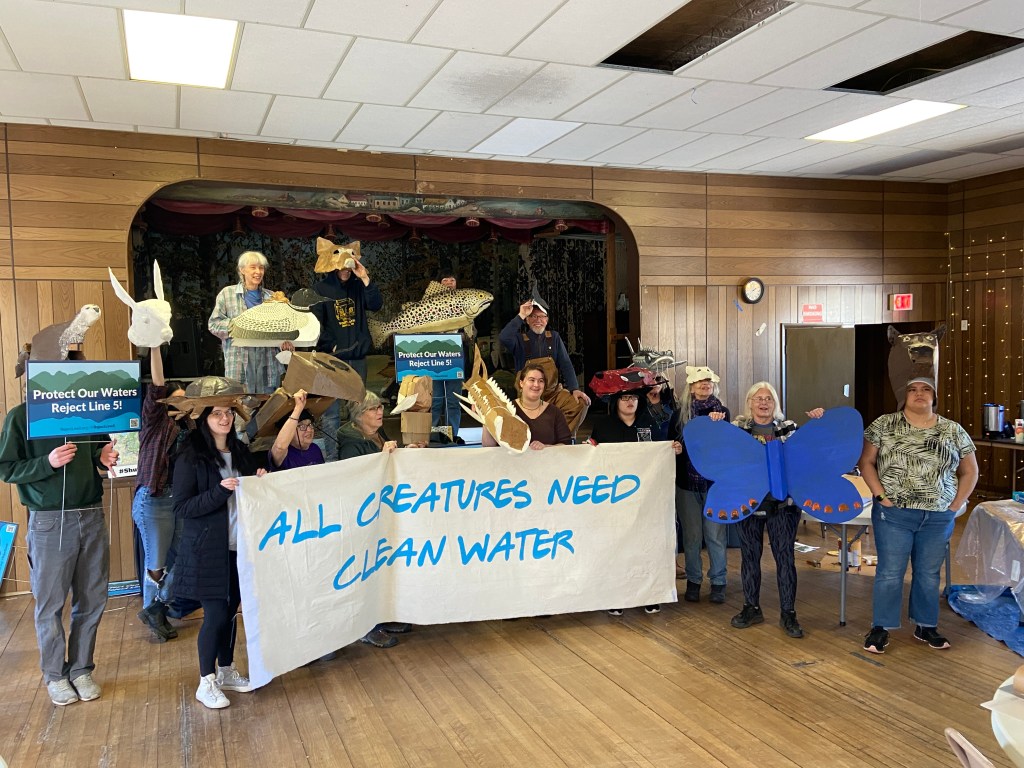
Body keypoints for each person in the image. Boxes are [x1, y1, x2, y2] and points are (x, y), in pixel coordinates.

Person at [0, 377, 118, 706]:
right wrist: (47, 463)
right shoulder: (21, 416)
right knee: (50, 603)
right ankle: (55, 675)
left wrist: (103, 456)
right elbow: (6, 468)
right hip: (49, 520)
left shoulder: (88, 412)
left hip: (91, 513)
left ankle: (81, 670)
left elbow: (98, 452)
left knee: (92, 598)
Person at [860, 377, 978, 654]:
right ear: (904, 396)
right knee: (890, 572)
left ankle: (926, 625)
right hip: (894, 513)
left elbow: (970, 470)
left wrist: (955, 504)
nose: (919, 394)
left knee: (928, 573)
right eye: (912, 389)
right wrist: (880, 496)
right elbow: (866, 461)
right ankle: (881, 627)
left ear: (934, 396)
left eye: (926, 389)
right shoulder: (884, 424)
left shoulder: (952, 430)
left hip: (938, 516)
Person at [171, 377, 267, 709]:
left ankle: (226, 670)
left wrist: (259, 480)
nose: (224, 419)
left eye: (228, 412)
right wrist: (218, 492)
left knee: (230, 612)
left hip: (240, 547)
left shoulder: (240, 451)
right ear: (203, 418)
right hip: (207, 550)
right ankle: (206, 680)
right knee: (213, 614)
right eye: (216, 413)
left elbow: (252, 490)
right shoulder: (191, 456)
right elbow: (182, 507)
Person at [730, 382, 823, 639]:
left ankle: (788, 613)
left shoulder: (789, 428)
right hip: (749, 503)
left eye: (768, 398)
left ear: (775, 404)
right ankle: (751, 607)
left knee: (784, 557)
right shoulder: (738, 429)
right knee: (750, 556)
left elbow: (809, 452)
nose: (763, 403)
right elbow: (724, 453)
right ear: (750, 403)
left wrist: (817, 423)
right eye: (758, 398)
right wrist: (714, 421)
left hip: (783, 505)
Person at [590, 388, 683, 616]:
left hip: (646, 500)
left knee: (646, 547)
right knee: (617, 548)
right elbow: (591, 455)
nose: (629, 402)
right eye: (624, 398)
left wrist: (673, 448)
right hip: (613, 499)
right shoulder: (603, 426)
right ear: (616, 401)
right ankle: (617, 597)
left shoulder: (650, 424)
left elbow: (663, 448)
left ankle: (650, 595)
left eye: (633, 398)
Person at [336, 391, 418, 647]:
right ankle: (366, 626)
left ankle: (383, 616)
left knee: (382, 565)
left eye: (380, 407)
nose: (379, 411)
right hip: (363, 515)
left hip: (381, 510)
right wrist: (383, 455)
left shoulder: (374, 434)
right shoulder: (351, 443)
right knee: (366, 569)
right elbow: (356, 476)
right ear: (359, 415)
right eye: (373, 409)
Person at [134, 345, 186, 642]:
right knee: (156, 562)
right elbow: (156, 385)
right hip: (153, 499)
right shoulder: (156, 422)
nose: (180, 406)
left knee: (182, 556)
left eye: (184, 401)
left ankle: (157, 606)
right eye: (175, 401)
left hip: (178, 500)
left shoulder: (190, 427)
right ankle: (155, 612)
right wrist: (155, 347)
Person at [311, 244, 383, 460]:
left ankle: (358, 454)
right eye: (341, 266)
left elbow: (376, 305)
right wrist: (330, 345)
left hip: (358, 358)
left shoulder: (359, 286)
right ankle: (334, 458)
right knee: (331, 413)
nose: (345, 270)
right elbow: (315, 322)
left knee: (359, 410)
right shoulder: (320, 289)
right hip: (332, 360)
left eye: (348, 266)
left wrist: (365, 278)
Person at [676, 366, 731, 604]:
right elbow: (672, 442)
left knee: (715, 535)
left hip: (714, 485)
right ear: (691, 387)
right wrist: (676, 448)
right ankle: (693, 581)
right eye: (700, 381)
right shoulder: (680, 414)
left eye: (708, 381)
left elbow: (727, 445)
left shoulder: (723, 413)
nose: (704, 384)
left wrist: (719, 424)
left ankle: (718, 582)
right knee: (691, 537)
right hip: (687, 484)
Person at [499, 298, 590, 435]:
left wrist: (574, 388)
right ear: (527, 320)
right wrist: (521, 314)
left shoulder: (554, 337)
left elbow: (566, 363)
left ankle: (560, 437)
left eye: (542, 316)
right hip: (528, 398)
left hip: (554, 394)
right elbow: (504, 337)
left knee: (581, 403)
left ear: (547, 320)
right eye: (533, 316)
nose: (538, 320)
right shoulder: (519, 340)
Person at [208, 251, 293, 394]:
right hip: (240, 361)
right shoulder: (227, 294)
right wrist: (239, 325)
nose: (258, 272)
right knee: (241, 403)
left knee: (268, 405)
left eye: (261, 268)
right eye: (253, 267)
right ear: (242, 270)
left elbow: (283, 327)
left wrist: (285, 341)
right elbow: (214, 324)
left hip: (267, 362)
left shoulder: (273, 297)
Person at [482, 362, 572, 450]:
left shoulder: (555, 413)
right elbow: (488, 445)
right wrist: (485, 418)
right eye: (532, 380)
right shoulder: (505, 409)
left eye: (541, 381)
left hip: (546, 460)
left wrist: (546, 447)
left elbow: (566, 445)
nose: (536, 384)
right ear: (521, 383)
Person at [431, 272, 469, 440]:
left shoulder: (464, 304)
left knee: (453, 400)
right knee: (435, 400)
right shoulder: (430, 304)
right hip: (433, 359)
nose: (448, 283)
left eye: (452, 280)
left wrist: (464, 336)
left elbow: (471, 333)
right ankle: (433, 435)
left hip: (455, 359)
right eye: (444, 280)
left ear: (456, 283)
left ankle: (451, 434)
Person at [268, 389, 323, 471]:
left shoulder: (315, 449)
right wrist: (298, 408)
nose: (309, 429)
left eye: (310, 424)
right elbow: (280, 447)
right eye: (302, 426)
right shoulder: (284, 456)